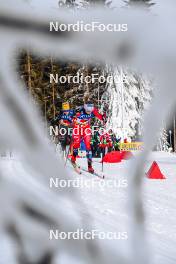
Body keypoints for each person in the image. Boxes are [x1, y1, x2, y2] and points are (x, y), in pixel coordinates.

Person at [71, 98, 104, 173]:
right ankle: (73, 158)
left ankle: (90, 166)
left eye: (90, 111)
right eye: (87, 111)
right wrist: (73, 117)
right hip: (77, 129)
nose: (89, 112)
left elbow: (99, 116)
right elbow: (71, 117)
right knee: (76, 144)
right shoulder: (79, 110)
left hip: (86, 129)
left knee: (88, 146)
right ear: (85, 108)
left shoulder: (93, 110)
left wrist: (103, 118)